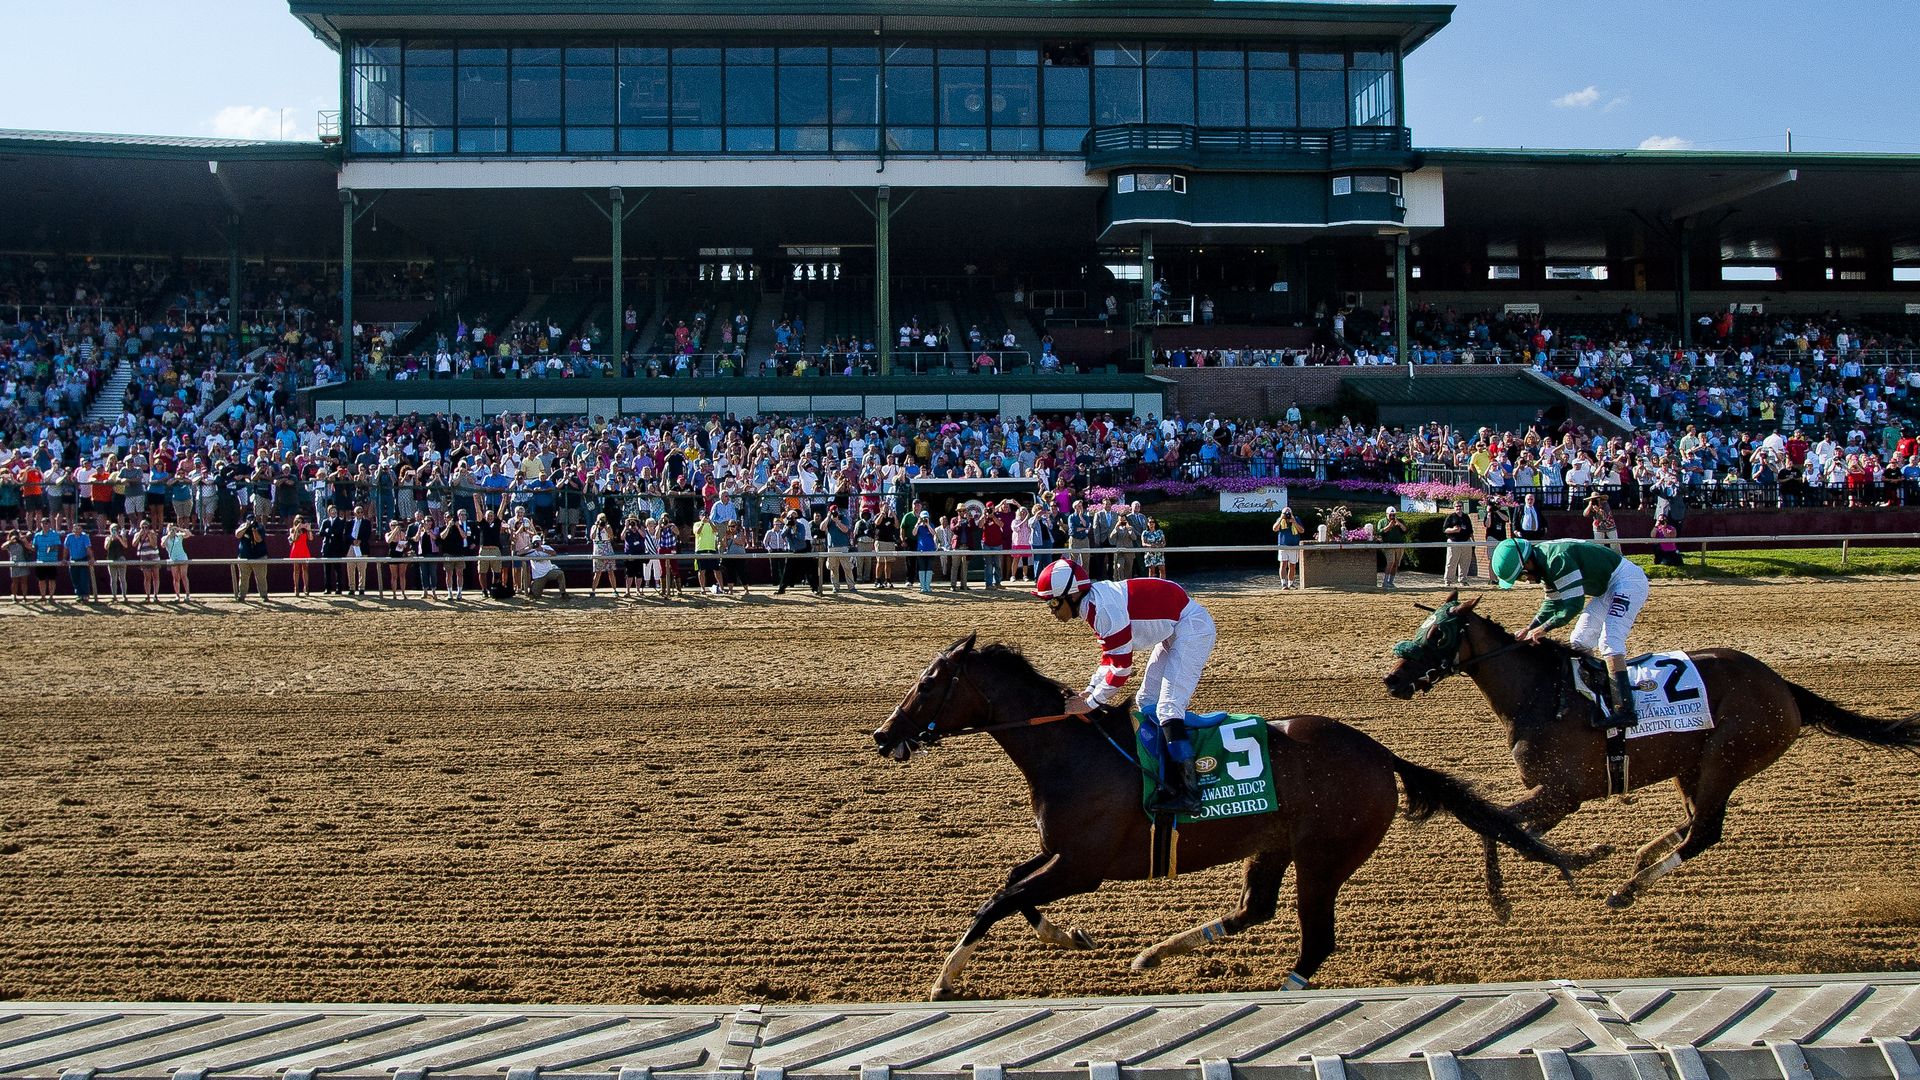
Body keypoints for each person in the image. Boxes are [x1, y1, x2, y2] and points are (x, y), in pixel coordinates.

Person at [1032, 557, 1217, 814]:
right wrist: (1091, 688)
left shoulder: (1102, 610)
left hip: (1191, 629)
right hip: (1174, 630)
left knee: (1167, 709)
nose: (1051, 609)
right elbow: (1109, 658)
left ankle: (1190, 794)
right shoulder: (1093, 605)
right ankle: (1164, 776)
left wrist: (1090, 703)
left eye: (1052, 601)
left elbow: (1121, 670)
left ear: (1071, 595)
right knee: (1146, 702)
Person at [1490, 536, 1651, 728]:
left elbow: (1573, 605)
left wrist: (1545, 628)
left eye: (1522, 576)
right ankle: (1600, 696)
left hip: (1628, 582)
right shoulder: (1544, 561)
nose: (1527, 581)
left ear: (1527, 563)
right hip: (1608, 588)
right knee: (1580, 640)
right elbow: (1552, 603)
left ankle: (1625, 711)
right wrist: (1530, 627)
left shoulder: (1557, 560)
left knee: (1609, 641)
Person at [233, 514, 270, 602]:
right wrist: (246, 526)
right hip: (244, 558)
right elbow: (237, 535)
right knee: (243, 578)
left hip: (259, 557)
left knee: (261, 577)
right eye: (249, 520)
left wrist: (254, 529)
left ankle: (264, 596)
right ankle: (241, 596)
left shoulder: (260, 527)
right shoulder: (243, 526)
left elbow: (258, 540)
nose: (251, 521)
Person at [1441, 500, 1474, 586]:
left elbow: (1470, 531)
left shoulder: (1466, 517)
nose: (1458, 508)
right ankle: (1448, 581)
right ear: (1454, 507)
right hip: (1454, 542)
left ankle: (1463, 580)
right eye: (1457, 506)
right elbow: (1445, 530)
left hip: (1466, 542)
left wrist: (1473, 542)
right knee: (1451, 562)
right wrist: (1453, 530)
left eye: (1460, 506)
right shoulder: (1451, 517)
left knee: (1465, 562)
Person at [1271, 508, 1304, 589]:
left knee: (1292, 565)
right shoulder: (1280, 519)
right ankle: (1283, 583)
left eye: (1289, 513)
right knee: (1283, 564)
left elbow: (1302, 530)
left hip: (1294, 545)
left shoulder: (1296, 519)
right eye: (1286, 513)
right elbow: (1274, 529)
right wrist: (1281, 518)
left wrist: (1294, 522)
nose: (1287, 515)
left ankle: (1291, 583)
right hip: (1283, 546)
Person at [1376, 507, 1408, 589]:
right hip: (1388, 545)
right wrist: (1389, 526)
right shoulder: (1382, 521)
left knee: (1396, 563)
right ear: (1387, 514)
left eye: (1393, 515)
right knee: (1391, 562)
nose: (1392, 517)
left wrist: (1399, 524)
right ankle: (1385, 582)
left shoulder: (1399, 520)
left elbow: (1405, 530)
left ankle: (1391, 582)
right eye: (1390, 515)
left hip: (1399, 545)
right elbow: (1379, 531)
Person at [288, 515, 315, 597]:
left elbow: (311, 539)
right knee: (296, 569)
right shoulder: (292, 529)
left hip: (304, 550)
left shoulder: (305, 530)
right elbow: (294, 539)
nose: (299, 523)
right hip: (296, 550)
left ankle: (306, 587)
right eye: (297, 521)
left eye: (300, 521)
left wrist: (309, 529)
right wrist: (296, 529)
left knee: (305, 569)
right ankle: (296, 588)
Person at [164, 524, 191, 601]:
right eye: (170, 529)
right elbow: (162, 545)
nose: (172, 531)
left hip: (182, 558)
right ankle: (177, 595)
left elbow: (188, 534)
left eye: (173, 529)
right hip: (173, 559)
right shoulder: (165, 538)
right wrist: (169, 536)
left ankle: (187, 595)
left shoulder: (179, 536)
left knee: (184, 576)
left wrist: (179, 529)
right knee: (176, 578)